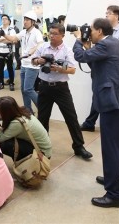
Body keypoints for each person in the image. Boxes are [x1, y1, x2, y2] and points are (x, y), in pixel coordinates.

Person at [72, 18, 119, 208]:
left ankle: (115, 195)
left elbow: (81, 57)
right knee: (116, 147)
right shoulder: (111, 43)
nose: (88, 33)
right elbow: (96, 64)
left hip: (114, 104)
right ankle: (112, 179)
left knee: (111, 148)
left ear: (99, 31)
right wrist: (88, 46)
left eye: (91, 30)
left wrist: (78, 40)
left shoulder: (106, 44)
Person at [31, 23, 92, 160]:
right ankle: (43, 147)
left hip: (61, 88)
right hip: (44, 87)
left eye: (55, 34)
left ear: (62, 35)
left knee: (71, 117)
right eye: (50, 33)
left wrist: (59, 68)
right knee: (42, 118)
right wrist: (39, 60)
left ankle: (79, 147)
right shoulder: (43, 47)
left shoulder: (67, 50)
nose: (51, 36)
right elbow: (33, 60)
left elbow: (72, 69)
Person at [80, 5, 119, 132]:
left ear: (116, 16)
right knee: (99, 96)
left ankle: (90, 122)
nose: (106, 15)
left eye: (109, 13)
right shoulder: (104, 38)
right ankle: (90, 123)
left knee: (105, 99)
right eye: (106, 13)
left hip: (111, 71)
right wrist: (90, 48)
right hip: (101, 68)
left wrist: (80, 40)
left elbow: (113, 50)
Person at [4, 11, 43, 113]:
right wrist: (4, 35)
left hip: (32, 65)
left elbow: (41, 44)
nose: (25, 22)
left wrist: (32, 51)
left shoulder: (36, 32)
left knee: (28, 89)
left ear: (33, 22)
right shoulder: (24, 32)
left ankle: (43, 108)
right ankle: (28, 110)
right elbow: (13, 38)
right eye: (24, 19)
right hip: (24, 64)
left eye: (27, 20)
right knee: (23, 89)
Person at [0, 96, 52, 160]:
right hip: (44, 148)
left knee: (5, 144)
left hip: (42, 154)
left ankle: (25, 162)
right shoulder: (21, 112)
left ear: (5, 112)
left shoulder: (17, 123)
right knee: (7, 136)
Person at [0, 14, 15, 91]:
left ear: (9, 21)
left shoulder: (11, 30)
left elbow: (12, 40)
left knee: (10, 68)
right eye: (2, 19)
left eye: (5, 19)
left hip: (8, 52)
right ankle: (1, 83)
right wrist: (5, 39)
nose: (4, 20)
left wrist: (1, 39)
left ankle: (11, 83)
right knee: (0, 68)